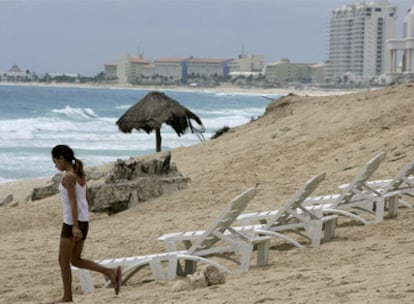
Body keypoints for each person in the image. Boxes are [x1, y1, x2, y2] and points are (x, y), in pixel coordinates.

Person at [50, 144, 121, 303]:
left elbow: (73, 203)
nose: (55, 165)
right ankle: (111, 272)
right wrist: (81, 222)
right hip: (84, 221)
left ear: (61, 158)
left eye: (55, 161)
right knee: (75, 260)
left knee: (63, 260)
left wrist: (75, 226)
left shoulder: (68, 177)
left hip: (71, 223)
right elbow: (86, 199)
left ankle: (67, 297)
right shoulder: (80, 174)